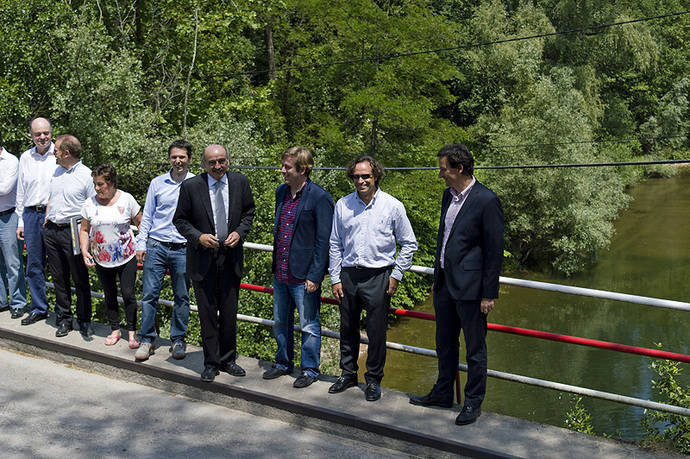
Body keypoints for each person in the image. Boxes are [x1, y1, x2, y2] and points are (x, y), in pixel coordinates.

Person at [409, 144, 504, 426]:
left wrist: (489, 293)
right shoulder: (447, 197)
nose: (441, 175)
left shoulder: (486, 200)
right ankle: (442, 393)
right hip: (445, 286)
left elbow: (494, 250)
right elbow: (446, 238)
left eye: (443, 169)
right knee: (444, 344)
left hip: (472, 289)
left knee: (475, 349)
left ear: (459, 169)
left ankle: (473, 403)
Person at [328, 155, 417, 401]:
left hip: (379, 275)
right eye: (356, 176)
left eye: (365, 176)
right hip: (349, 275)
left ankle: (374, 380)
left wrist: (397, 274)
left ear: (375, 175)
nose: (361, 180)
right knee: (347, 328)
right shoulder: (343, 205)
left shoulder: (392, 206)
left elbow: (409, 243)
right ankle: (347, 374)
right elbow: (335, 243)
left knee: (377, 332)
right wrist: (335, 277)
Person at [173, 144, 255, 382]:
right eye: (212, 162)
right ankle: (211, 363)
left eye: (221, 161)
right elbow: (180, 219)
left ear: (228, 160)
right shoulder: (191, 187)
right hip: (202, 258)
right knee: (207, 314)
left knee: (229, 313)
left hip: (230, 257)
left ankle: (228, 359)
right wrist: (198, 237)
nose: (217, 166)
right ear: (203, 164)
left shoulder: (240, 182)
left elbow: (249, 212)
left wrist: (240, 232)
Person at [263, 146, 334, 388]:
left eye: (287, 167)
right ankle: (283, 363)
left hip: (304, 276)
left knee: (309, 325)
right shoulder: (281, 192)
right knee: (280, 321)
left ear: (303, 169)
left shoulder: (320, 197)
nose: (282, 170)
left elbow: (323, 241)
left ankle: (310, 369)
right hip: (281, 272)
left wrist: (316, 275)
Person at [134, 140, 195, 361]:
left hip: (183, 248)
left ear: (189, 158)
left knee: (182, 296)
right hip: (157, 245)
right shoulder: (157, 183)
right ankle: (147, 339)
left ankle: (178, 339)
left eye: (182, 157)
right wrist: (141, 243)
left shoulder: (197, 183)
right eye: (174, 157)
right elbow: (147, 215)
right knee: (150, 295)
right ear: (169, 158)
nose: (178, 161)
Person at [80, 164, 142, 347]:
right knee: (109, 294)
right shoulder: (89, 203)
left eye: (101, 184)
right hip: (102, 258)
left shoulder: (127, 200)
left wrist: (142, 247)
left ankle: (132, 332)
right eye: (95, 184)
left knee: (129, 293)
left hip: (126, 255)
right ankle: (115, 329)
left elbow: (141, 223)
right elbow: (84, 229)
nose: (97, 188)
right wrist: (85, 250)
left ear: (112, 183)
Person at [43, 135, 95, 337]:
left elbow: (92, 208)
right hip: (52, 229)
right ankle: (65, 319)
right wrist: (47, 219)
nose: (53, 153)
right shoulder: (55, 172)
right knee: (59, 277)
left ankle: (84, 320)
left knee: (79, 277)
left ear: (66, 153)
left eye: (56, 150)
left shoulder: (86, 175)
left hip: (74, 230)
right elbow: (51, 198)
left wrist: (87, 238)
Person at [16, 117, 56, 325]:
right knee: (34, 264)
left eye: (46, 133)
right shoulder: (25, 157)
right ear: (31, 135)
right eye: (37, 134)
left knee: (59, 265)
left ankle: (63, 313)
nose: (42, 137)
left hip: (55, 217)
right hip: (31, 215)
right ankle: (39, 308)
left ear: (51, 132)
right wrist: (21, 221)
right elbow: (21, 191)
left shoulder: (59, 154)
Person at [0, 133, 27, 319]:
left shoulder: (10, 161)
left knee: (13, 263)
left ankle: (17, 303)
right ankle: (1, 301)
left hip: (8, 217)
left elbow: (5, 188)